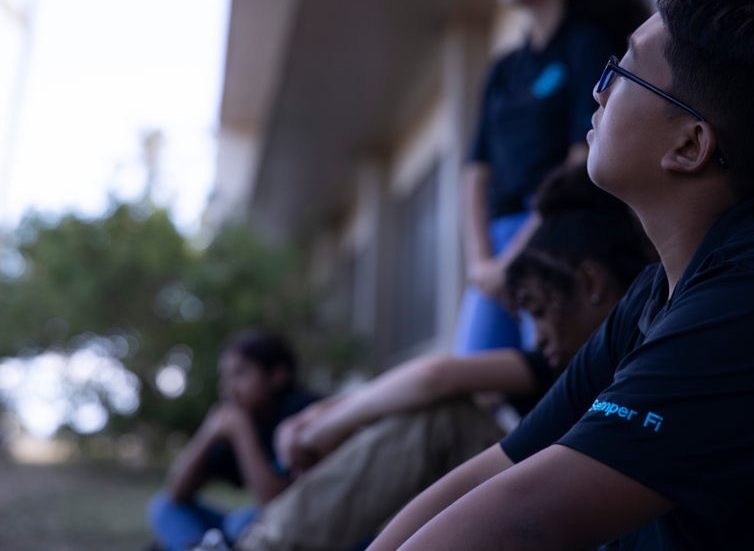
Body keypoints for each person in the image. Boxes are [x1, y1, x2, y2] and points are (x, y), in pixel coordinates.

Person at [369, 0, 754, 550]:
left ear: (688, 145)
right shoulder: (663, 289)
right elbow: (506, 466)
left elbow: (526, 516)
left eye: (624, 70)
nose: (598, 90)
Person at [231, 165, 655, 551]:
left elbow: (438, 376)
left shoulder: (633, 351)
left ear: (590, 285)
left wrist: (324, 422)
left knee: (442, 419)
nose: (538, 335)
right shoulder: (573, 366)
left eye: (540, 312)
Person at [456, 0, 649, 354]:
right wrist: (483, 262)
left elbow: (581, 155)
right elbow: (474, 171)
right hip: (498, 242)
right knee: (474, 371)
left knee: (548, 367)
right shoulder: (503, 69)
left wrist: (516, 257)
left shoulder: (586, 44)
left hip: (555, 229)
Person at [147, 330, 320, 551]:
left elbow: (280, 506)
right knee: (163, 507)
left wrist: (243, 434)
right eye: (226, 377)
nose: (229, 387)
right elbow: (176, 493)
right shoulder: (244, 419)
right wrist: (207, 433)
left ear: (278, 375)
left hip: (309, 530)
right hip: (259, 529)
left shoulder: (303, 415)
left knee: (240, 524)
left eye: (240, 374)